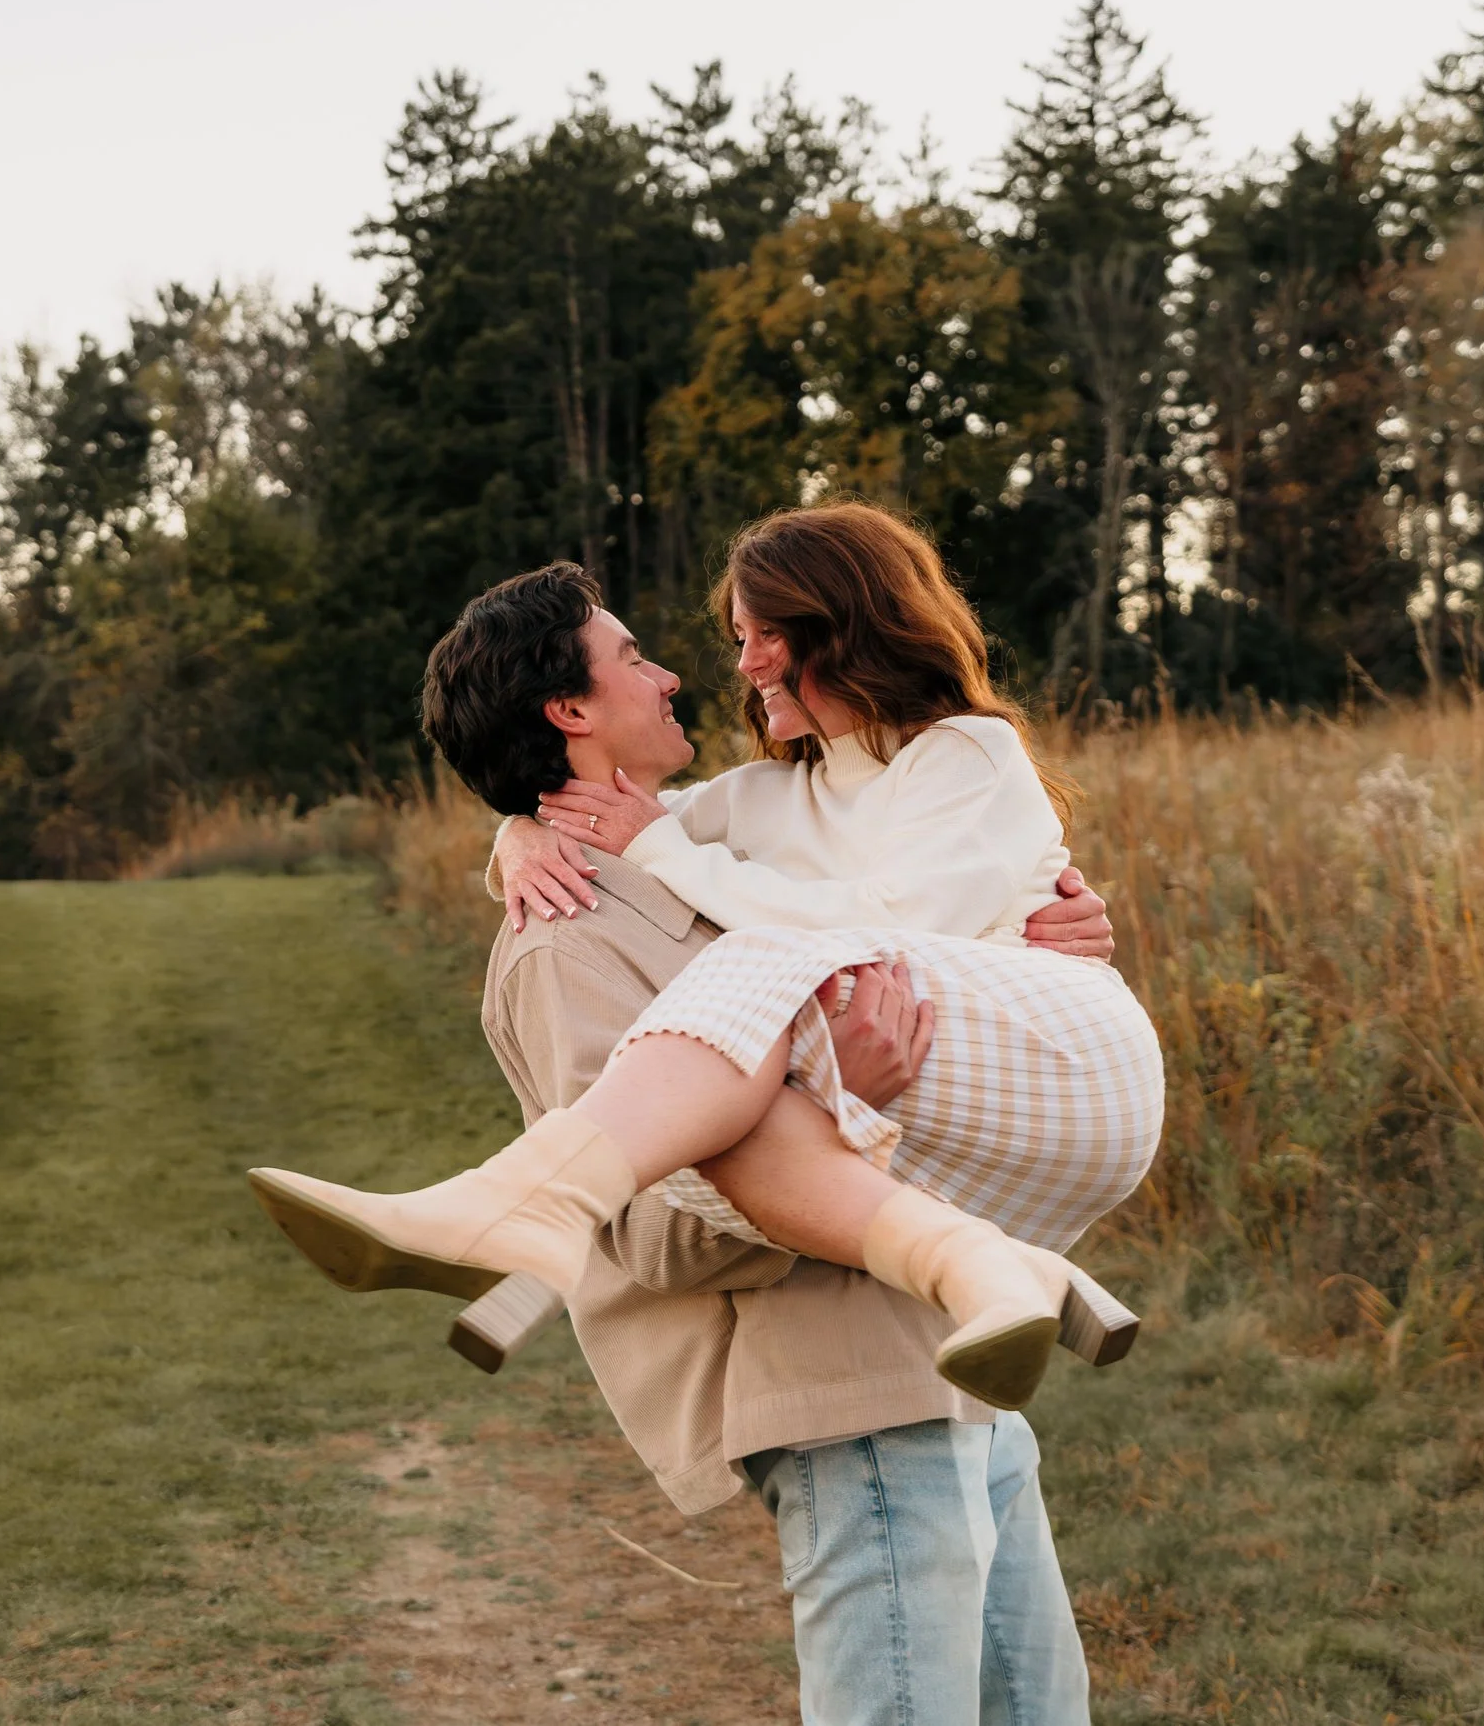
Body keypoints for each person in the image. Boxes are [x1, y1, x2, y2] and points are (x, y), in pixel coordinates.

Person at [251, 502, 1163, 1409]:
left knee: (755, 992)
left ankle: (519, 1208)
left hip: (1073, 1055)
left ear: (847, 628)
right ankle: (997, 1275)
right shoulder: (766, 795)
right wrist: (519, 834)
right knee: (731, 1122)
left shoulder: (967, 750)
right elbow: (608, 816)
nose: (739, 663)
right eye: (739, 635)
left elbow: (886, 920)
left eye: (770, 633)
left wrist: (669, 856)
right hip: (955, 1091)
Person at [419, 558, 1116, 1721]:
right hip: (841, 1391)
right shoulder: (563, 944)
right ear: (571, 712)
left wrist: (1036, 951)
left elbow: (901, 919)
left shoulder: (707, 862)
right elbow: (641, 1228)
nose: (674, 673)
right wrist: (851, 1101)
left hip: (950, 1355)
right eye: (635, 657)